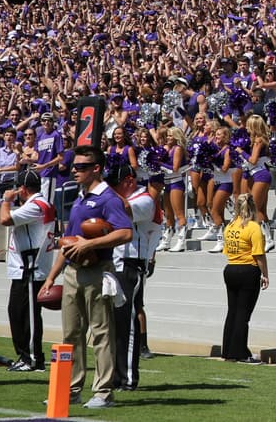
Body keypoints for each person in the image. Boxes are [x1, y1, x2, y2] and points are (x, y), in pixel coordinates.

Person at [38, 144, 133, 409]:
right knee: (71, 334)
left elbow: (126, 233)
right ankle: (70, 389)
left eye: (80, 167)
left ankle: (103, 391)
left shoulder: (108, 198)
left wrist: (89, 245)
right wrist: (51, 276)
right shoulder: (80, 197)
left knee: (101, 332)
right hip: (72, 272)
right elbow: (69, 241)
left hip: (96, 270)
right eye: (74, 166)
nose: (74, 170)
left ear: (96, 169)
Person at [0, 169, 55, 372]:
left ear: (23, 189)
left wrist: (6, 201)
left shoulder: (37, 205)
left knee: (27, 314)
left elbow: (5, 219)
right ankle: (25, 356)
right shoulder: (38, 204)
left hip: (31, 265)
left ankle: (32, 358)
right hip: (25, 266)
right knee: (17, 312)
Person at [109, 164, 159, 391]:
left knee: (127, 323)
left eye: (115, 183)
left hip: (131, 263)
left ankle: (128, 376)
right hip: (115, 262)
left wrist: (103, 193)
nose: (111, 188)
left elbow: (125, 209)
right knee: (114, 323)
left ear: (129, 180)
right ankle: (115, 374)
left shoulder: (145, 198)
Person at [219, 193, 269, 363]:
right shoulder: (254, 227)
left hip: (230, 269)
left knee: (232, 311)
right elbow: (259, 255)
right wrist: (265, 275)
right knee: (243, 314)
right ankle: (240, 352)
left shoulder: (230, 226)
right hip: (248, 270)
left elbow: (227, 250)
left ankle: (227, 350)